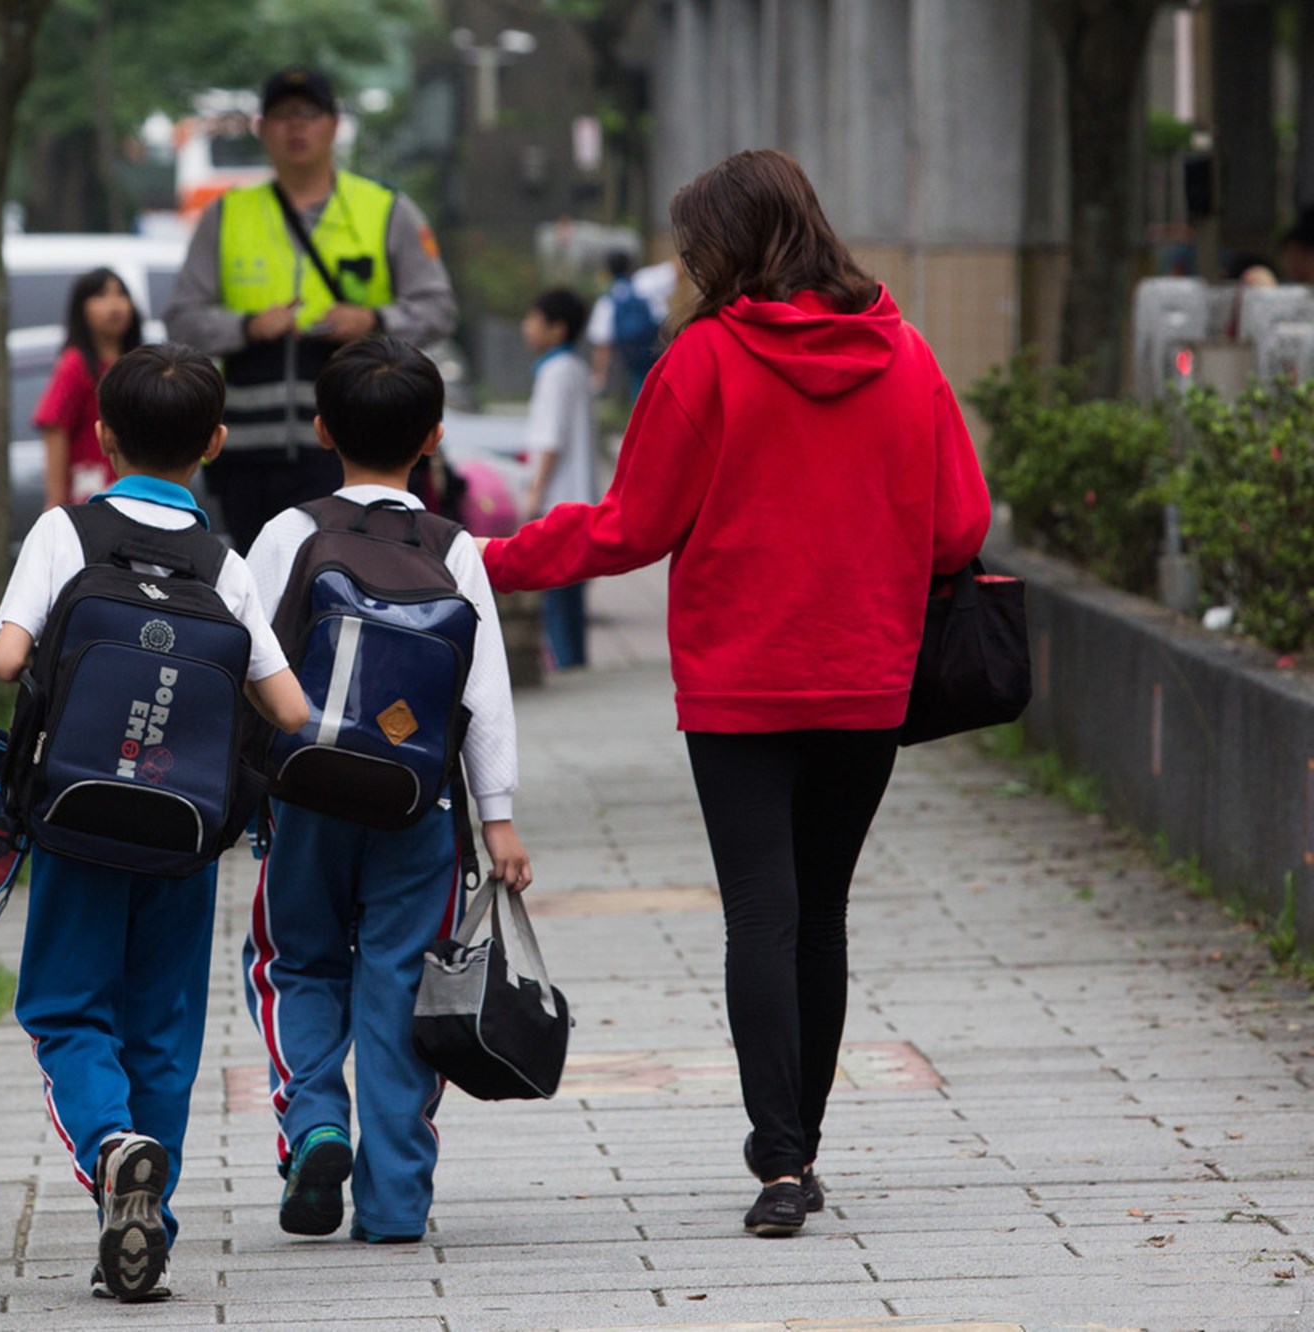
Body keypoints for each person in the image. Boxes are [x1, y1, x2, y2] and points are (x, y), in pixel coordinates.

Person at [477, 150, 992, 1238]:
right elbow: (958, 527)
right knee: (821, 915)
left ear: (727, 247)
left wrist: (488, 562)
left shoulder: (703, 361)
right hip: (866, 675)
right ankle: (801, 1146)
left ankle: (780, 1162)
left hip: (739, 683)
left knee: (760, 912)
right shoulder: (904, 353)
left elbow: (630, 526)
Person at [0, 344, 310, 1302]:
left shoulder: (65, 531)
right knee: (163, 1028)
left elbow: (6, 660)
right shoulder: (224, 563)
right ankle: (150, 1220)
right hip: (183, 836)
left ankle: (108, 1144)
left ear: (101, 435)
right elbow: (289, 710)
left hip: (76, 819)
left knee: (66, 1008)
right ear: (215, 443)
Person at [241, 335, 531, 1246]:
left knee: (297, 965)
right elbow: (485, 695)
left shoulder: (290, 533)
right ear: (434, 436)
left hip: (307, 801)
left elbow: (248, 664)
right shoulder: (454, 548)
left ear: (321, 429)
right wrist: (498, 818)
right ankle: (397, 1201)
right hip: (421, 811)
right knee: (406, 985)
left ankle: (315, 1121)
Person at [163, 65, 458, 553]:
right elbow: (181, 319)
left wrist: (373, 321)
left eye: (309, 113)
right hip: (247, 455)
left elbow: (439, 308)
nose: (295, 126)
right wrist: (248, 326)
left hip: (357, 447)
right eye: (282, 115)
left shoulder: (386, 209)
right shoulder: (226, 215)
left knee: (349, 572)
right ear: (261, 129)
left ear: (334, 125)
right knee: (261, 582)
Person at [519, 287, 597, 670]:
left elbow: (550, 439)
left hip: (556, 499)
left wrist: (535, 493)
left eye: (534, 319)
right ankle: (575, 661)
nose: (526, 327)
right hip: (580, 497)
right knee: (572, 593)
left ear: (557, 328)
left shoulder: (554, 373)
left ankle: (565, 665)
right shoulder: (577, 369)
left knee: (555, 591)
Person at [33, 267, 144, 508]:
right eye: (101, 295)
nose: (114, 305)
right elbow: (54, 428)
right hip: (91, 493)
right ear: (81, 308)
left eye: (121, 294)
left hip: (137, 493)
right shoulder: (75, 365)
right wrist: (55, 502)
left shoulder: (140, 364)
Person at [587, 249, 677, 405]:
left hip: (634, 361)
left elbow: (602, 345)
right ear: (630, 267)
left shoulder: (607, 299)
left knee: (643, 399)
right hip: (663, 352)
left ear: (608, 272)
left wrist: (599, 376)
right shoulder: (647, 280)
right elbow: (677, 269)